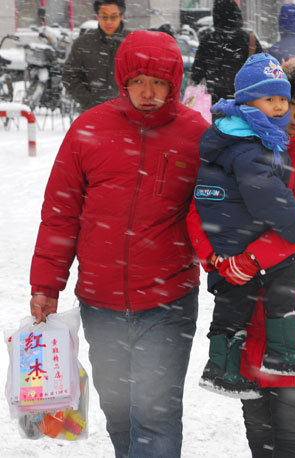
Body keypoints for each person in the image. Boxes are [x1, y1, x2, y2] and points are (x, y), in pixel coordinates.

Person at [29, 30, 209, 458]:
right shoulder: (89, 129)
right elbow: (61, 213)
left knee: (155, 413)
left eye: (160, 82)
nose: (148, 93)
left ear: (174, 83)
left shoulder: (195, 135)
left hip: (168, 300)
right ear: (123, 80)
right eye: (139, 81)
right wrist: (45, 285)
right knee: (118, 409)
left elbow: (212, 211)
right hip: (101, 300)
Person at [187, 53, 295, 458]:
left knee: (290, 416)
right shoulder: (237, 139)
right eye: (294, 102)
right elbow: (199, 206)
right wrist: (217, 259)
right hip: (242, 290)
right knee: (255, 416)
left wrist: (251, 258)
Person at [191, 0, 263, 105]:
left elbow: (196, 75)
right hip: (245, 104)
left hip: (216, 105)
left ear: (215, 16)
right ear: (237, 15)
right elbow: (263, 71)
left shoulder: (208, 41)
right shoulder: (250, 40)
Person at [62, 0, 129, 112]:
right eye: (104, 17)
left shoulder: (132, 41)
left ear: (121, 16)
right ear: (97, 16)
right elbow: (70, 76)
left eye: (113, 17)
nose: (108, 22)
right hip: (91, 112)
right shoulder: (83, 43)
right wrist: (88, 101)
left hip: (127, 113)